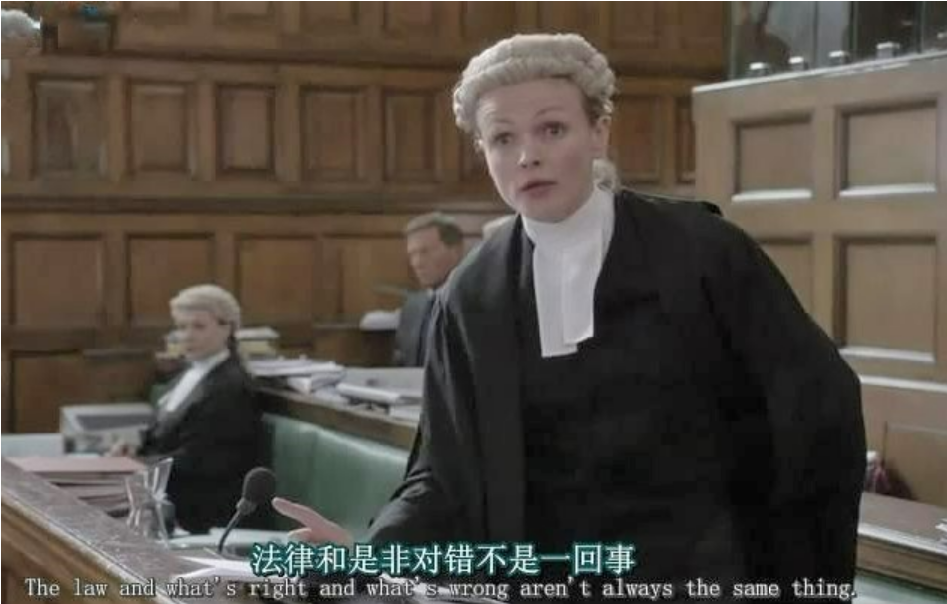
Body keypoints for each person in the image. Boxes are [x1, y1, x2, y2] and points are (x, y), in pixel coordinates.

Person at [275, 33, 865, 601]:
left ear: (599, 131)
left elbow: (818, 413)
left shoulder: (702, 252)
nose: (527, 155)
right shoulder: (473, 295)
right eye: (502, 138)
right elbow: (445, 474)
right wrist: (371, 556)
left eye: (552, 129)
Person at [117, 284, 262, 534]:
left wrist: (135, 463)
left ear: (227, 328)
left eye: (198, 326)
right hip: (164, 495)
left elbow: (202, 460)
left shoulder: (231, 387)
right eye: (182, 327)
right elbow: (165, 436)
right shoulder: (187, 373)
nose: (187, 336)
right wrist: (134, 450)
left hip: (201, 512)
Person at [393, 212, 465, 367]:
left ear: (455, 250)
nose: (416, 263)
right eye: (412, 254)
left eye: (424, 252)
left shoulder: (477, 303)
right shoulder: (412, 306)